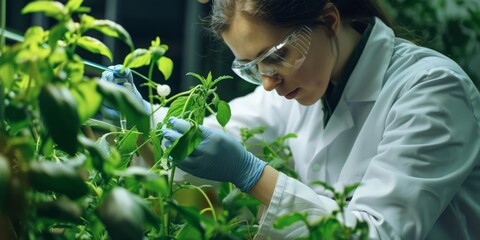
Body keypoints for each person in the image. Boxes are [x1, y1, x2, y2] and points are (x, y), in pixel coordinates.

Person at [103, 0, 480, 239]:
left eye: (276, 57)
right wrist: (140, 119)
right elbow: (208, 141)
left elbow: (378, 234)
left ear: (329, 19)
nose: (267, 82)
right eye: (252, 68)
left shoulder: (431, 89)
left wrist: (250, 173)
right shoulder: (302, 87)